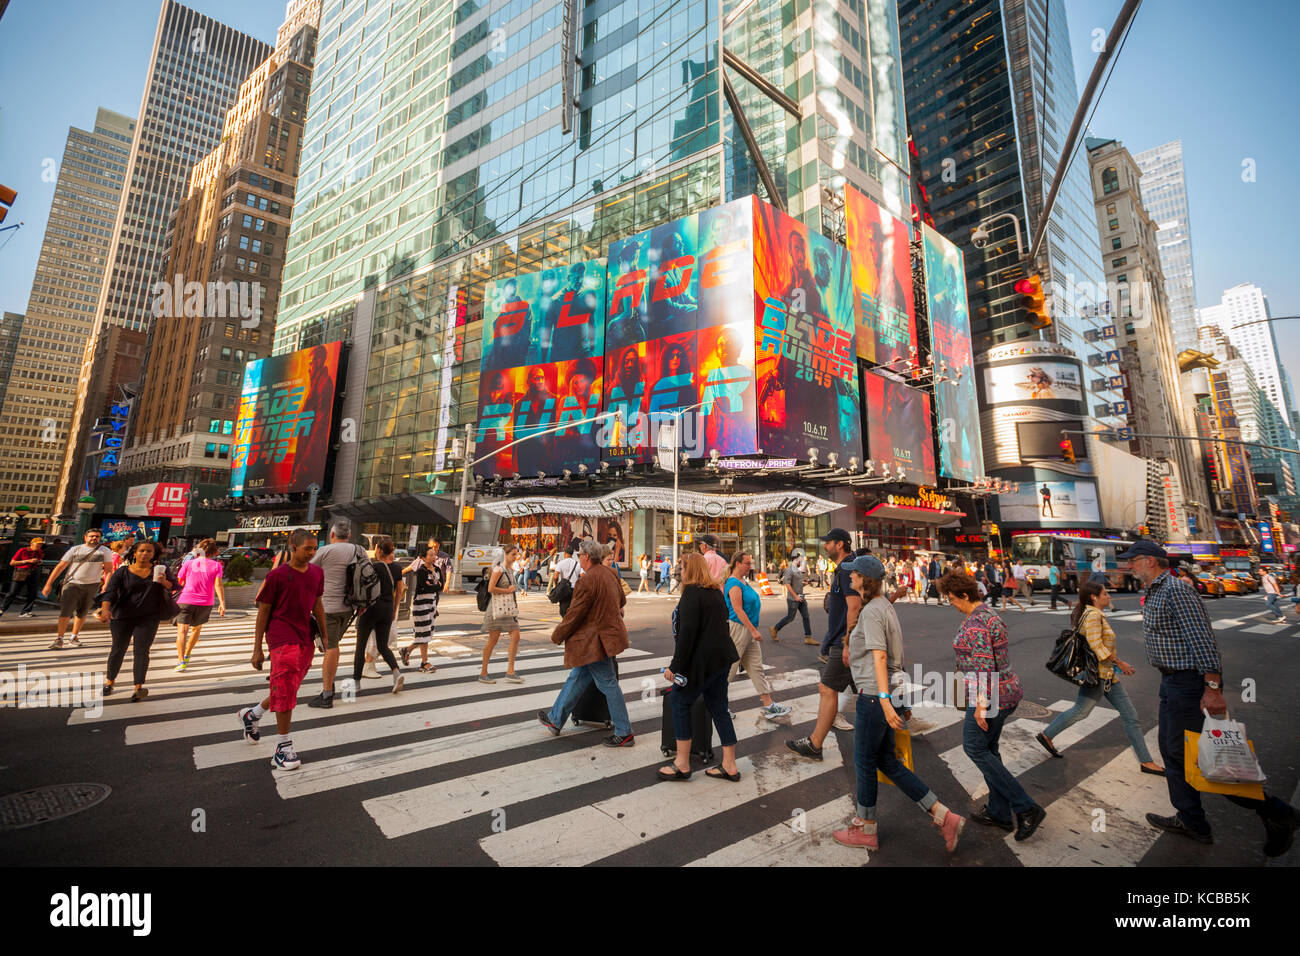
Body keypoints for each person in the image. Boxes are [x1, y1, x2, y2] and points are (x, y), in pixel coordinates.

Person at [1119, 540, 1299, 856]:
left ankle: (1276, 811)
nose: (1127, 566)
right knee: (1174, 754)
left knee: (1203, 759)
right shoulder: (1159, 591)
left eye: (1132, 560)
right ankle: (1192, 820)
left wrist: (1212, 688)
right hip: (1171, 682)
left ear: (1149, 561)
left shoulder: (1175, 590)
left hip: (1187, 684)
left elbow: (1202, 640)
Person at [832, 554, 966, 851]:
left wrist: (882, 700)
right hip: (886, 691)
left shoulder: (871, 612)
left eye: (853, 574)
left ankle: (865, 828)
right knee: (887, 761)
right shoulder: (884, 606)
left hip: (873, 695)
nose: (850, 577)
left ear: (864, 580)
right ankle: (943, 816)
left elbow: (879, 655)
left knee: (864, 762)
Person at [941, 569, 1047, 841]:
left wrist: (979, 705)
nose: (950, 603)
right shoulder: (988, 614)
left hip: (991, 696)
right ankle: (1000, 812)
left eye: (952, 599)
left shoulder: (976, 623)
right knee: (989, 749)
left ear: (965, 595)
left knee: (974, 747)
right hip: (1007, 691)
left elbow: (984, 668)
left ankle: (1026, 807)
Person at [1034, 580, 1163, 773]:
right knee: (1081, 711)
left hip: (1107, 674)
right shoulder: (1093, 616)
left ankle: (1146, 761)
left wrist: (1115, 666)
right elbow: (1096, 645)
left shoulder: (1092, 614)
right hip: (1099, 675)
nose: (1109, 596)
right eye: (1105, 594)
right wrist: (1120, 663)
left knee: (1130, 716)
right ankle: (1047, 735)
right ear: (1094, 597)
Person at [239, 528, 328, 772]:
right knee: (287, 688)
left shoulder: (317, 573)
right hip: (280, 636)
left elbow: (318, 606)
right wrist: (257, 648)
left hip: (305, 637)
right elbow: (263, 612)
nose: (311, 553)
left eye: (314, 548)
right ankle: (282, 747)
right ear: (293, 546)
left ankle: (253, 715)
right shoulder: (277, 575)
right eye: (307, 548)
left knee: (288, 688)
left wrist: (326, 638)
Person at [538, 541, 635, 746]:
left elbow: (574, 614)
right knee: (578, 676)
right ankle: (556, 719)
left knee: (608, 683)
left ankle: (624, 731)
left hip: (594, 641)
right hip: (606, 637)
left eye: (579, 555)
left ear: (586, 557)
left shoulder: (587, 580)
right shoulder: (610, 574)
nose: (578, 558)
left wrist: (558, 635)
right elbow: (621, 601)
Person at [658, 552, 741, 780]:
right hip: (721, 661)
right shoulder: (715, 592)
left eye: (682, 569)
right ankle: (729, 765)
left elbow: (687, 636)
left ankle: (682, 763)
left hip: (701, 663)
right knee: (719, 709)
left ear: (690, 570)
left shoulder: (692, 594)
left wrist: (674, 668)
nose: (680, 573)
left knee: (678, 701)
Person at [787, 529, 861, 759]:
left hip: (846, 640)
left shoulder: (848, 568)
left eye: (828, 542)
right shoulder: (843, 567)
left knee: (827, 688)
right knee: (873, 689)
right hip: (844, 639)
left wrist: (847, 642)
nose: (825, 546)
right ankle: (903, 718)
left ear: (840, 544)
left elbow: (855, 606)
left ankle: (815, 744)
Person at [96, 539, 180, 703]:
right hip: (122, 616)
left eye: (149, 551)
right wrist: (106, 610)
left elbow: (174, 586)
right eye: (141, 550)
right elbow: (110, 592)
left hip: (148, 617)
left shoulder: (160, 570)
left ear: (154, 554)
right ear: (134, 553)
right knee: (118, 649)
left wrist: (164, 582)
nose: (145, 553)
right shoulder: (122, 572)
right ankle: (110, 682)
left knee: (142, 651)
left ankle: (138, 687)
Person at [724, 551, 792, 721]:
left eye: (750, 563)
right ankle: (716, 706)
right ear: (738, 563)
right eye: (747, 563)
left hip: (749, 630)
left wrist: (752, 630)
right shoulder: (733, 583)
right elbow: (737, 610)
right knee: (729, 671)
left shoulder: (742, 581)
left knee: (756, 668)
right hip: (739, 630)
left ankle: (769, 706)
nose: (750, 566)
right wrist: (753, 630)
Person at [307, 519, 365, 709]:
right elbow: (367, 577)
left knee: (331, 647)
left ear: (332, 535)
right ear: (349, 535)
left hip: (328, 608)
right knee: (329, 645)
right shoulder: (359, 550)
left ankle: (327, 695)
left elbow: (306, 572)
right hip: (349, 608)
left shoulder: (324, 551)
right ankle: (328, 682)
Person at [41, 529, 115, 650]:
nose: (94, 538)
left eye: (97, 536)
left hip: (92, 584)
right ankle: (59, 638)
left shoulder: (105, 551)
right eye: (91, 536)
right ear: (85, 537)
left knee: (82, 612)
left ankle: (74, 637)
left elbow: (108, 569)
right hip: (72, 583)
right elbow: (60, 566)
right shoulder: (75, 549)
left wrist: (106, 584)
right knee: (65, 611)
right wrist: (48, 584)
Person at [349, 537, 405, 694]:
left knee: (360, 646)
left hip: (370, 609)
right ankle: (396, 673)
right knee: (383, 645)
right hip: (387, 610)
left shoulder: (373, 567)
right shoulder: (397, 568)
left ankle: (356, 683)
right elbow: (399, 591)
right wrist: (394, 610)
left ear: (379, 551)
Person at [172, 539, 226, 672]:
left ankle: (181, 661)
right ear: (213, 552)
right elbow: (218, 585)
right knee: (196, 629)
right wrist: (222, 603)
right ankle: (187, 653)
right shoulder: (217, 565)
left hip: (186, 600)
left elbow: (180, 581)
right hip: (205, 602)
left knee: (182, 631)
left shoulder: (189, 563)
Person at [481, 545, 524, 683]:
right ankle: (483, 673)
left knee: (516, 636)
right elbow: (490, 588)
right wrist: (508, 590)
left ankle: (510, 672)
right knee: (493, 640)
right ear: (505, 555)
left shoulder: (510, 570)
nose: (515, 557)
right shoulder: (498, 569)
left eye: (516, 554)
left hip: (508, 610)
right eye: (513, 554)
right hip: (496, 610)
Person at [402, 544, 446, 673]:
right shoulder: (421, 571)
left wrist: (433, 585)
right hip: (421, 605)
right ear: (423, 557)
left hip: (431, 604)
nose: (434, 557)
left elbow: (441, 586)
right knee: (424, 633)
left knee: (427, 633)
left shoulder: (437, 569)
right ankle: (424, 662)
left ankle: (407, 650)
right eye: (431, 555)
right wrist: (434, 585)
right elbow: (424, 587)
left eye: (434, 554)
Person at [770, 547, 811, 643]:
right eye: (800, 560)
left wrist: (805, 583)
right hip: (793, 598)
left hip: (800, 597)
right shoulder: (789, 570)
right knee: (790, 617)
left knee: (806, 616)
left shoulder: (798, 570)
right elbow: (787, 584)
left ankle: (808, 637)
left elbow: (797, 584)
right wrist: (795, 596)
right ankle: (775, 629)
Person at [1, 536, 45, 619]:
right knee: (12, 592)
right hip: (21, 572)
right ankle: (2, 609)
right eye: (38, 544)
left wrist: (39, 561)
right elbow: (12, 563)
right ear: (32, 544)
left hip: (32, 572)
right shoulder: (22, 550)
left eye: (40, 545)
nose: (39, 546)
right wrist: (27, 561)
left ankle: (26, 611)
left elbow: (40, 560)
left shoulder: (39, 552)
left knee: (32, 593)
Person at [550, 544, 582, 616]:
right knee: (573, 608)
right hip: (574, 589)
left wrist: (556, 585)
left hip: (564, 589)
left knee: (563, 609)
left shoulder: (561, 563)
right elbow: (582, 576)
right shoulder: (577, 564)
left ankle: (566, 621)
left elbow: (555, 577)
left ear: (565, 553)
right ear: (572, 554)